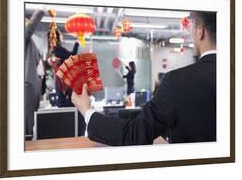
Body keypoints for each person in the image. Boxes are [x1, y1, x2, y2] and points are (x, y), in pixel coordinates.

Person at [71, 11, 217, 145]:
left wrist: (87, 110)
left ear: (200, 31)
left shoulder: (176, 81)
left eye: (192, 27)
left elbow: (134, 134)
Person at [24, 10, 45, 139]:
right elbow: (29, 28)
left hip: (35, 88)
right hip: (28, 87)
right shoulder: (21, 39)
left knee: (31, 124)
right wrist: (41, 10)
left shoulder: (31, 44)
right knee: (27, 126)